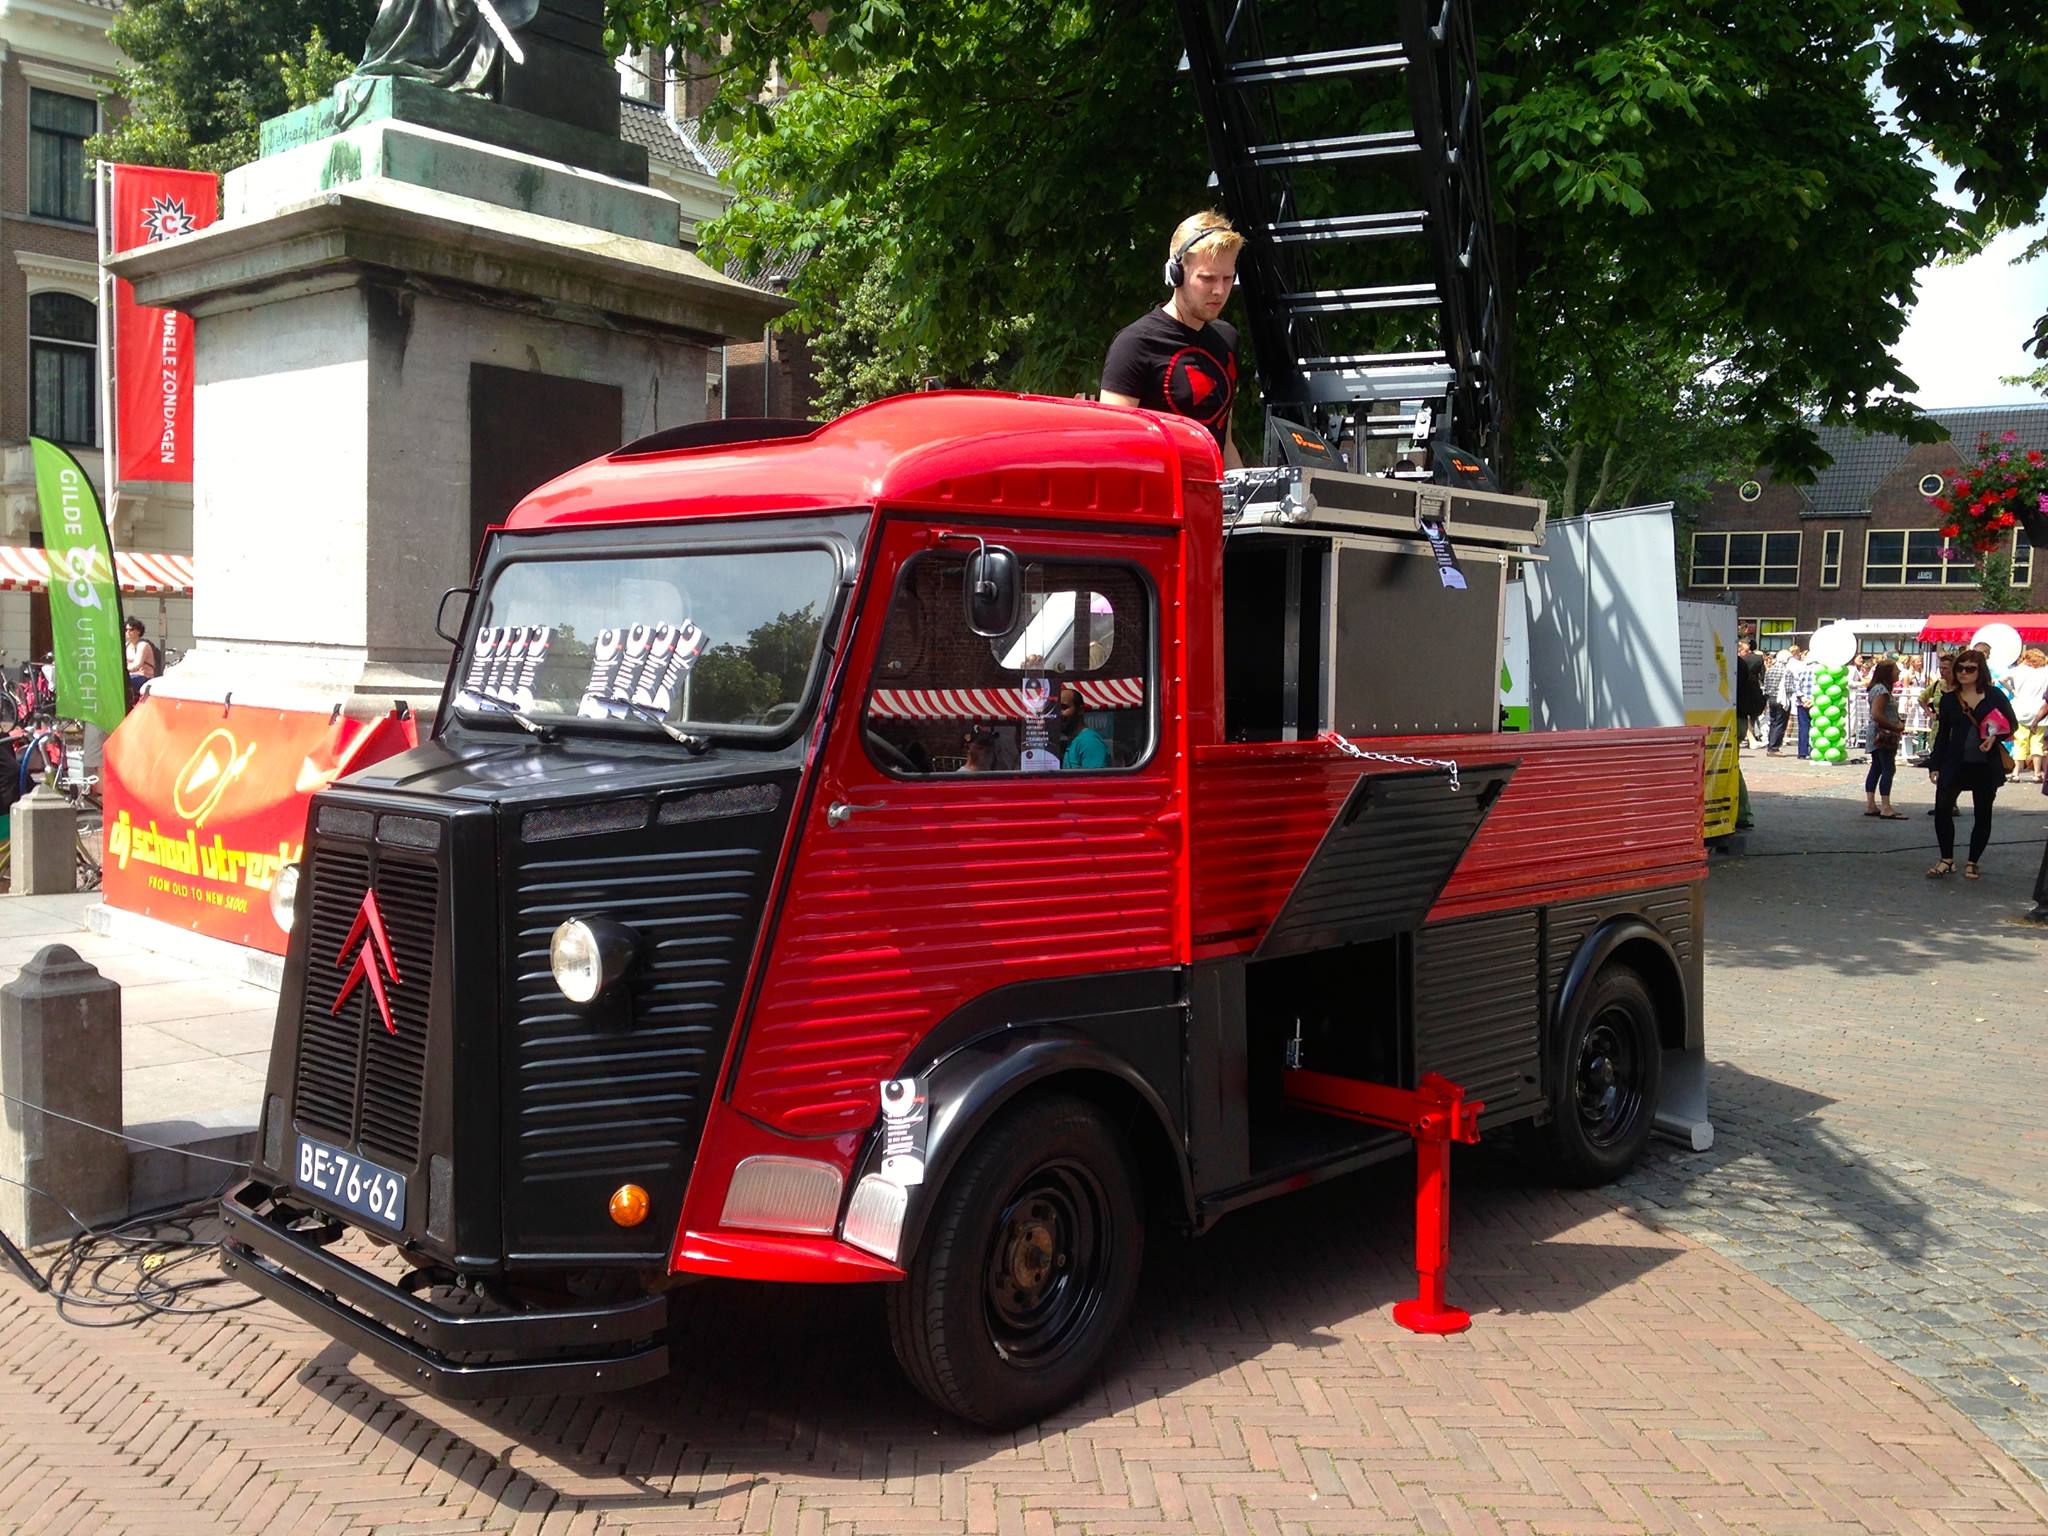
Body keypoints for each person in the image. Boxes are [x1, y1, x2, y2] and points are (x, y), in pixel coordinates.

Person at [1101, 211, 1245, 469]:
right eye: (1207, 278)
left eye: (1228, 278)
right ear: (1175, 273)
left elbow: (1224, 442)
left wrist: (1245, 491)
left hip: (1211, 492)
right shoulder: (1134, 344)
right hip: (1159, 491)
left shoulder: (1227, 339)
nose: (1219, 290)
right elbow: (1113, 446)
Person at [1926, 652, 2015, 879]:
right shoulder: (1949, 699)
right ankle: (1946, 859)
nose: (1963, 672)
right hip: (1954, 762)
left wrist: (1994, 737)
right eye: (1960, 668)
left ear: (1980, 671)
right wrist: (1934, 764)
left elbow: (2011, 724)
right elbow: (1943, 735)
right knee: (1942, 809)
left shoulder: (1994, 696)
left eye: (1970, 668)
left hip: (1985, 764)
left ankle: (1973, 861)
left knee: (1983, 813)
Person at [1862, 660, 1907, 818]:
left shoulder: (1877, 688)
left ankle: (1871, 804)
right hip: (1883, 735)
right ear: (1888, 672)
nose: (1898, 673)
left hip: (1876, 733)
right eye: (1896, 670)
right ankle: (1886, 806)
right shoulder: (1882, 690)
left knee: (1877, 767)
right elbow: (1877, 714)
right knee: (1888, 768)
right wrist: (1895, 726)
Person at [2003, 646, 2048, 782]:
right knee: (2038, 742)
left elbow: (2002, 679)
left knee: (2020, 742)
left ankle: (2016, 773)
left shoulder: (2018, 670)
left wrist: (2013, 691)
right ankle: (2037, 774)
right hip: (2040, 710)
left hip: (2021, 710)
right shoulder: (2045, 671)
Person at [1057, 685, 1109, 769]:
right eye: (1057, 709)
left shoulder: (1089, 742)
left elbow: (1095, 777)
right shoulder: (1074, 741)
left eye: (1064, 707)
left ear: (1080, 710)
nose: (1059, 714)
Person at [1735, 639, 1767, 749]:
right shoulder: (1755, 660)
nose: (1748, 653)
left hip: (1743, 698)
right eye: (1746, 651)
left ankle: (1751, 737)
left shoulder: (1741, 662)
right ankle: (1752, 737)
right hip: (1748, 695)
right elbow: (1762, 676)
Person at [124, 618, 161, 697]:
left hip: (144, 676)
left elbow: (137, 665)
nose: (128, 632)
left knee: (126, 684)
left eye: (131, 630)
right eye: (126, 630)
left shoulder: (143, 645)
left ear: (138, 631)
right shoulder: (126, 645)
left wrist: (124, 669)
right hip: (130, 675)